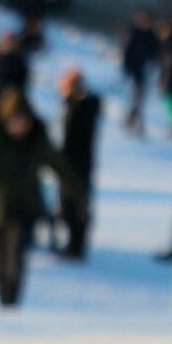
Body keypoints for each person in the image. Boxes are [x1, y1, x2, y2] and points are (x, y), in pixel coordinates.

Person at [0, 90, 76, 308]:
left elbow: (58, 165)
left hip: (26, 207)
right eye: (13, 121)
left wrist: (76, 190)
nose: (18, 127)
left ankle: (13, 297)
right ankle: (3, 296)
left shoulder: (36, 140)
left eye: (22, 121)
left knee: (17, 254)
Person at [56, 68, 100, 260]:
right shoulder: (75, 105)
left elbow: (75, 136)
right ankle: (74, 244)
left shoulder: (83, 106)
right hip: (71, 161)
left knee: (75, 205)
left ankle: (76, 246)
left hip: (78, 162)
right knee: (68, 205)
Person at [121, 10, 159, 136]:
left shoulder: (152, 35)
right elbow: (128, 52)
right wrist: (127, 69)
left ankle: (133, 121)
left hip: (145, 71)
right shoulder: (134, 33)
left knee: (139, 98)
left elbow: (155, 52)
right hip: (135, 71)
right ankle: (133, 121)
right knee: (135, 98)